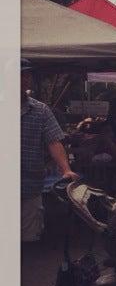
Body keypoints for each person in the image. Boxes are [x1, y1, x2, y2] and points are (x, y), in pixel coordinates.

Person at [21, 59, 79, 244]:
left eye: (26, 75)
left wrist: (65, 169)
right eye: (18, 75)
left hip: (29, 187)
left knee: (27, 240)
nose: (23, 79)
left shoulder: (40, 111)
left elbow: (54, 141)